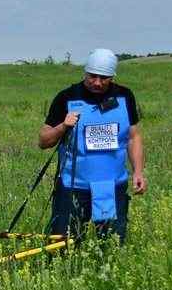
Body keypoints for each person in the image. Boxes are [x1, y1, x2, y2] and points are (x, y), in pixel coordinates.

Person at [38, 49, 146, 242]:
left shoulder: (125, 96)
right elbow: (43, 141)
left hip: (112, 187)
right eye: (92, 76)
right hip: (73, 188)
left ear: (112, 76)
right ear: (85, 73)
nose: (97, 82)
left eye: (104, 78)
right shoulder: (66, 98)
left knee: (111, 247)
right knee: (63, 249)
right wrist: (63, 126)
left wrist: (138, 171)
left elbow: (133, 137)